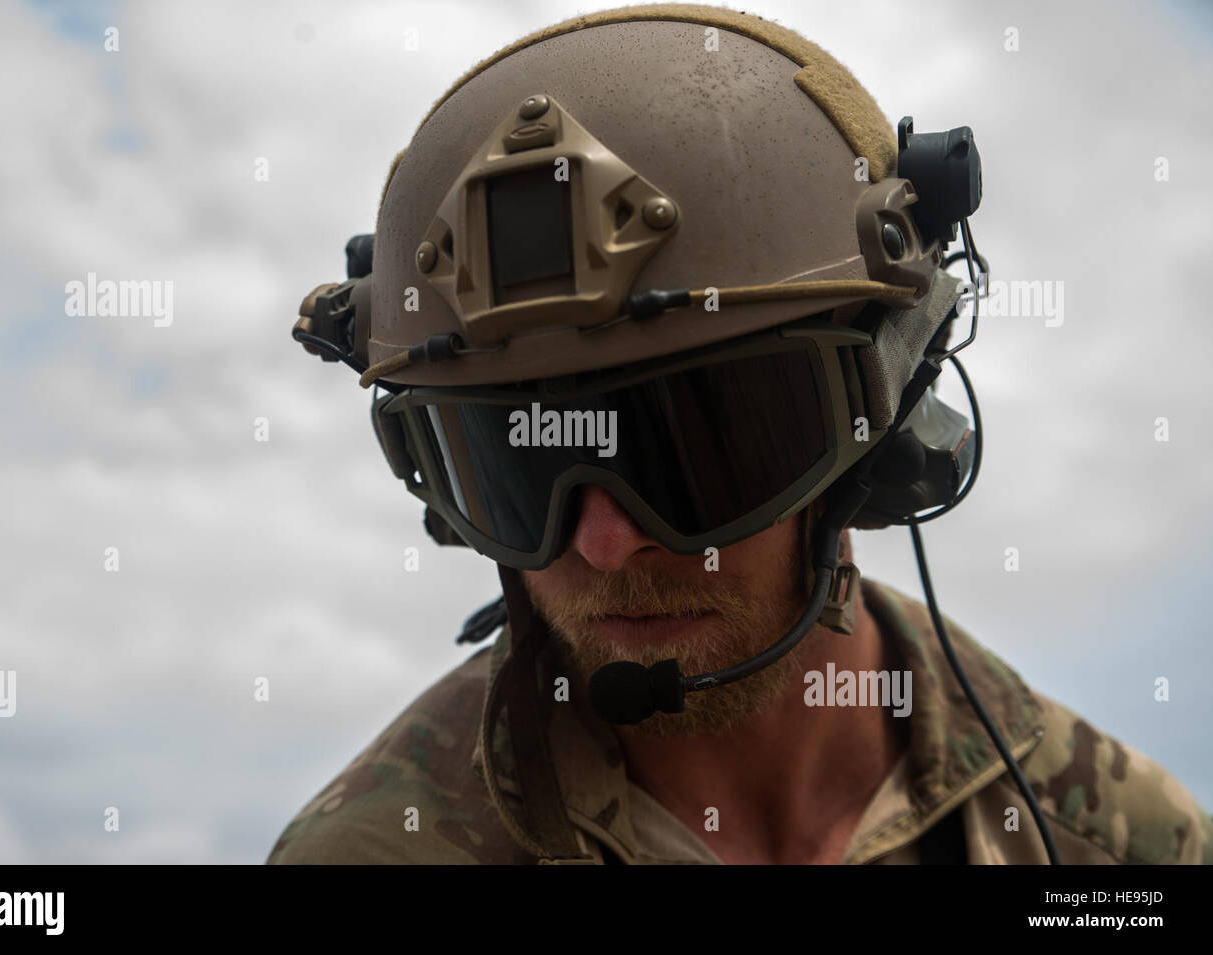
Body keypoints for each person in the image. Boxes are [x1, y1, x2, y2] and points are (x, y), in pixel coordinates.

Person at [269, 3, 1211, 864]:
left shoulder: (1111, 844)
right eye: (515, 465)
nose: (606, 540)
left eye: (693, 448)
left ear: (874, 429)